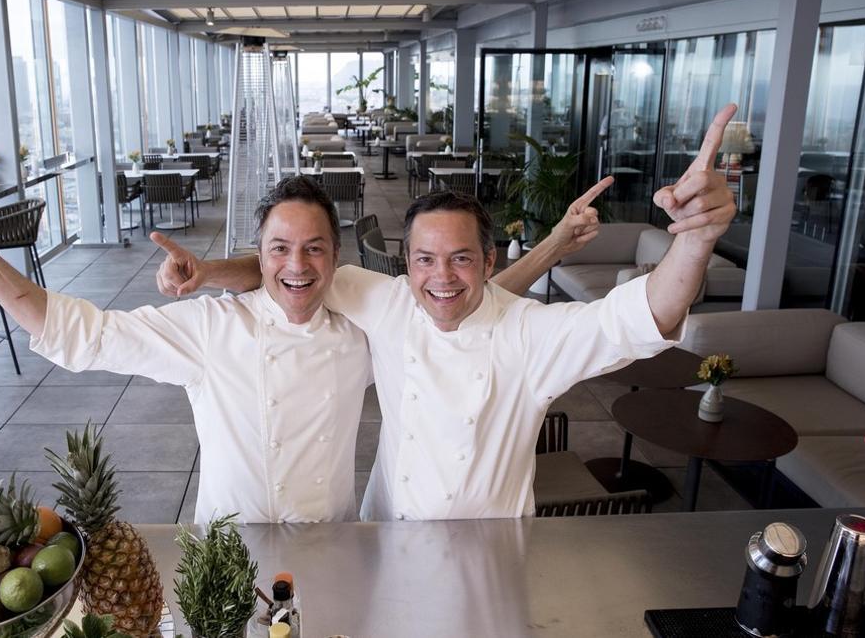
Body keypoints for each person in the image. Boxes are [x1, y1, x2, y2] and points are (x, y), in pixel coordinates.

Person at [156, 104, 740, 520]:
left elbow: (639, 319)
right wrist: (208, 274)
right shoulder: (380, 299)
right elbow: (292, 269)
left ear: (488, 262)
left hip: (483, 554)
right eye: (425, 260)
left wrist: (695, 238)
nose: (441, 277)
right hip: (385, 533)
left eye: (460, 259)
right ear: (404, 265)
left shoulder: (528, 335)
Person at [0, 166, 586, 523]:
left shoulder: (362, 325)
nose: (296, 266)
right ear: (260, 253)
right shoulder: (212, 331)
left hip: (333, 546)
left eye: (313, 249)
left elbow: (468, 297)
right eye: (279, 248)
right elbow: (82, 334)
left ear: (337, 258)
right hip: (228, 547)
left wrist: (553, 244)